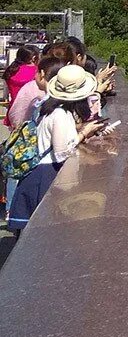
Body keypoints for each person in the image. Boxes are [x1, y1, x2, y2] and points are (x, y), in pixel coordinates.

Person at [7, 65, 107, 236]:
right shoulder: (60, 114)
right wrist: (83, 133)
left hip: (36, 173)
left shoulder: (49, 107)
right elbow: (62, 152)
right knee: (41, 232)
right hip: (45, 175)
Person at [3, 56, 64, 220]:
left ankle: (9, 208)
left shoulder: (37, 100)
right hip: (44, 168)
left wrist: (17, 127)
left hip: (27, 150)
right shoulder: (58, 110)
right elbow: (61, 152)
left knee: (14, 174)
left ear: (43, 74)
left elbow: (15, 110)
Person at [3, 46, 38, 129]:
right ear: (34, 58)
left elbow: (6, 92)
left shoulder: (11, 70)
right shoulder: (36, 71)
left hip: (14, 110)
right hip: (31, 111)